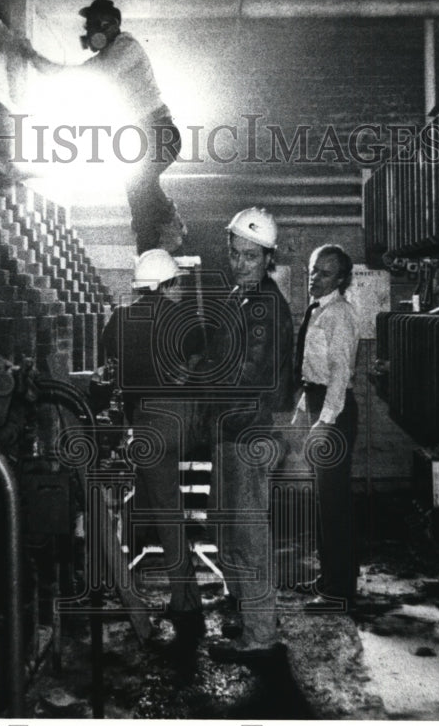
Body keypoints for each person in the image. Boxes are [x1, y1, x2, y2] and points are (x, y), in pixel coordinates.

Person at [2, 0, 185, 254]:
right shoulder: (104, 58)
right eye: (87, 27)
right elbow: (67, 74)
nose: (88, 33)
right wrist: (31, 55)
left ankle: (168, 224)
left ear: (110, 25)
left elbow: (99, 75)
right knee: (136, 192)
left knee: (139, 182)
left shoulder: (127, 47)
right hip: (143, 136)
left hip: (160, 132)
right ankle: (149, 251)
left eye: (92, 26)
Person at [100, 249, 204, 652]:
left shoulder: (119, 320)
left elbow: (111, 369)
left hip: (145, 423)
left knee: (162, 506)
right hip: (180, 422)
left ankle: (183, 598)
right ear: (171, 283)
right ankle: (146, 583)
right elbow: (200, 356)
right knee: (156, 501)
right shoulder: (183, 318)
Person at [206, 208, 294, 663]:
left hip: (251, 432)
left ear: (267, 259)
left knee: (249, 535)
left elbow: (245, 375)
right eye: (236, 254)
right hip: (232, 428)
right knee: (225, 527)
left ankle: (260, 633)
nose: (241, 263)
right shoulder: (241, 298)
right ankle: (243, 608)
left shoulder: (264, 306)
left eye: (251, 256)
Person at [292, 244, 360, 610]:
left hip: (335, 412)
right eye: (314, 270)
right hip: (321, 405)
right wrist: (305, 408)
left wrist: (324, 422)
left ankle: (339, 591)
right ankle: (330, 578)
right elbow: (314, 373)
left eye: (326, 273)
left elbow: (340, 375)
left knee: (334, 504)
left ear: (342, 280)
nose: (315, 278)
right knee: (325, 501)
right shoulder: (319, 311)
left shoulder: (340, 315)